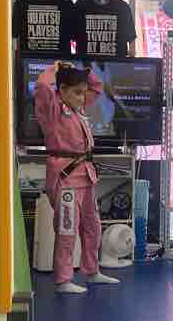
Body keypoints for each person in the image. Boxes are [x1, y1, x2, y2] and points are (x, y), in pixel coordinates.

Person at [33, 61, 121, 294]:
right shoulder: (53, 109)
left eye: (83, 93)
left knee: (93, 226)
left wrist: (84, 73)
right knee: (67, 229)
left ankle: (92, 271)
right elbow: (42, 86)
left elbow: (97, 88)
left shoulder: (77, 107)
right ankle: (63, 280)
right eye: (77, 92)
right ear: (62, 90)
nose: (83, 98)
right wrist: (55, 68)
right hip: (66, 177)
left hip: (86, 174)